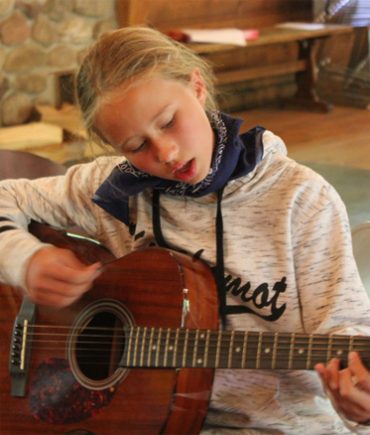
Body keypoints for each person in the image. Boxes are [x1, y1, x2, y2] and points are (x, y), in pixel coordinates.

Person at [0, 26, 370, 434]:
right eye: (136, 146)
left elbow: (346, 329)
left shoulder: (300, 199)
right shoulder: (111, 190)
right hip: (146, 422)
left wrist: (359, 398)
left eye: (169, 121)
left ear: (197, 87)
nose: (166, 153)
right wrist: (24, 260)